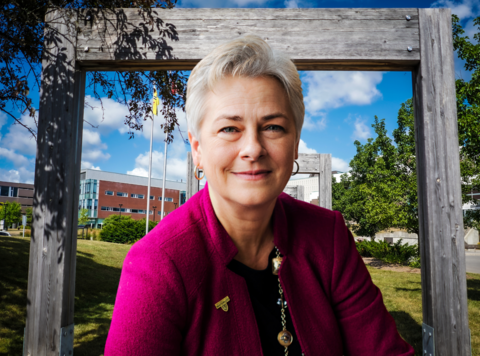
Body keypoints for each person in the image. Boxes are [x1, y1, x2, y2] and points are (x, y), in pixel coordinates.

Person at [104, 35, 414, 356]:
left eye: (273, 127)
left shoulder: (328, 236)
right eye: (229, 128)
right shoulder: (157, 264)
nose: (253, 148)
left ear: (294, 144)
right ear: (197, 149)